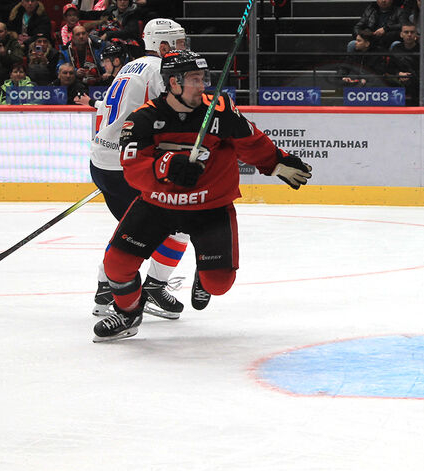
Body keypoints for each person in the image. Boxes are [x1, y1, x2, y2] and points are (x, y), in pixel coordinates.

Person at [92, 49, 313, 341]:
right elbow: (132, 168)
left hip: (210, 207)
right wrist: (167, 165)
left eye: (203, 78)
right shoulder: (144, 118)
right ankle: (128, 314)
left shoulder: (220, 110)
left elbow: (251, 142)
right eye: (194, 79)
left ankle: (205, 268)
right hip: (158, 205)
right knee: (116, 265)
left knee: (219, 283)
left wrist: (275, 162)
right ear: (173, 83)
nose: (202, 85)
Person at [74, 20, 191, 318]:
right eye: (179, 44)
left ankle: (107, 289)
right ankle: (148, 288)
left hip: (103, 160)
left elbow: (108, 112)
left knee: (137, 229)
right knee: (177, 226)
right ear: (163, 46)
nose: (184, 49)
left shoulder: (131, 66)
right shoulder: (160, 71)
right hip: (127, 166)